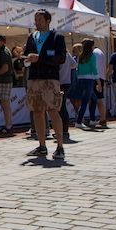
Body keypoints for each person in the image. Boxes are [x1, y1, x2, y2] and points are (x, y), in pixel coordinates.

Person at [24, 9, 67, 160]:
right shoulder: (31, 36)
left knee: (53, 110)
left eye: (39, 20)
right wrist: (26, 58)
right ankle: (42, 145)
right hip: (34, 78)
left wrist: (40, 58)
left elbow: (60, 57)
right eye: (35, 19)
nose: (36, 22)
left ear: (48, 21)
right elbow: (27, 54)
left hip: (50, 79)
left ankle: (60, 146)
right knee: (37, 112)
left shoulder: (57, 37)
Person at [73, 39, 99, 128]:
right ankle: (79, 121)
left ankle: (92, 119)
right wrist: (98, 82)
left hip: (80, 79)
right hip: (89, 80)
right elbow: (94, 69)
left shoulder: (80, 56)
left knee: (93, 99)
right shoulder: (92, 56)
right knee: (85, 101)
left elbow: (77, 69)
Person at [58, 48, 77, 139]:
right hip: (67, 82)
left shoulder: (57, 55)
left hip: (59, 83)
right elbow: (74, 64)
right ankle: (64, 130)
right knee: (63, 107)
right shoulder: (67, 54)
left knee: (60, 108)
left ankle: (62, 130)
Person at [88, 43, 108, 128]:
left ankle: (92, 119)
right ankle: (103, 119)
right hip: (101, 77)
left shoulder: (93, 53)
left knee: (93, 100)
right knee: (100, 99)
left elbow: (93, 67)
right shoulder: (101, 53)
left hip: (94, 78)